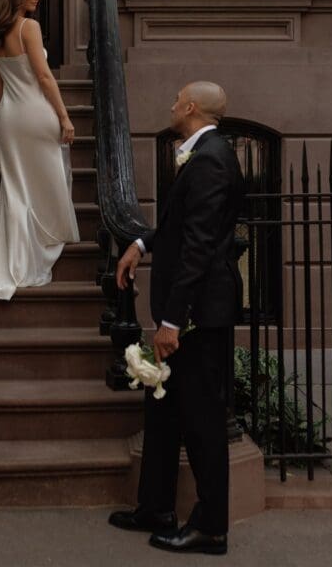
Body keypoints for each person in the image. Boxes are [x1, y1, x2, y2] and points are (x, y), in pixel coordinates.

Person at [109, 81, 245, 556]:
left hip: (198, 316)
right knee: (163, 409)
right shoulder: (202, 153)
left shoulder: (210, 160)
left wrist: (171, 320)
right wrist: (142, 244)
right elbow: (179, 227)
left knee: (203, 420)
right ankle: (156, 507)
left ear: (190, 108)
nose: (169, 104)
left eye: (175, 99)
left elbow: (200, 248)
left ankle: (211, 527)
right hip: (188, 310)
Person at [0, 0, 79, 300]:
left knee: (16, 188)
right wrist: (64, 117)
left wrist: (12, 106)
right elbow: (45, 78)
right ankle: (38, 252)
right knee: (48, 181)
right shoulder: (29, 27)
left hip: (10, 116)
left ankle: (13, 262)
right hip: (37, 112)